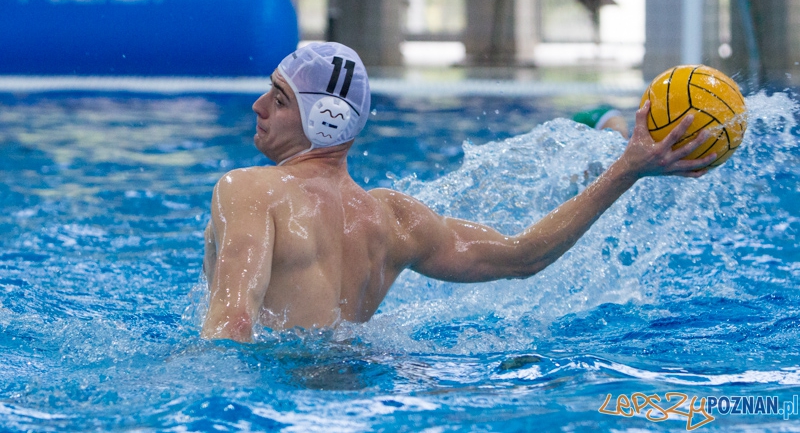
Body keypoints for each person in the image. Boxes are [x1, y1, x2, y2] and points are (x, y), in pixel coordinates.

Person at [201, 42, 715, 342]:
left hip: (281, 396)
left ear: (325, 122)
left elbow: (235, 318)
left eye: (281, 98)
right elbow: (523, 256)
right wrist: (627, 168)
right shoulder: (395, 219)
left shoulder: (249, 190)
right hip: (358, 384)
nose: (258, 105)